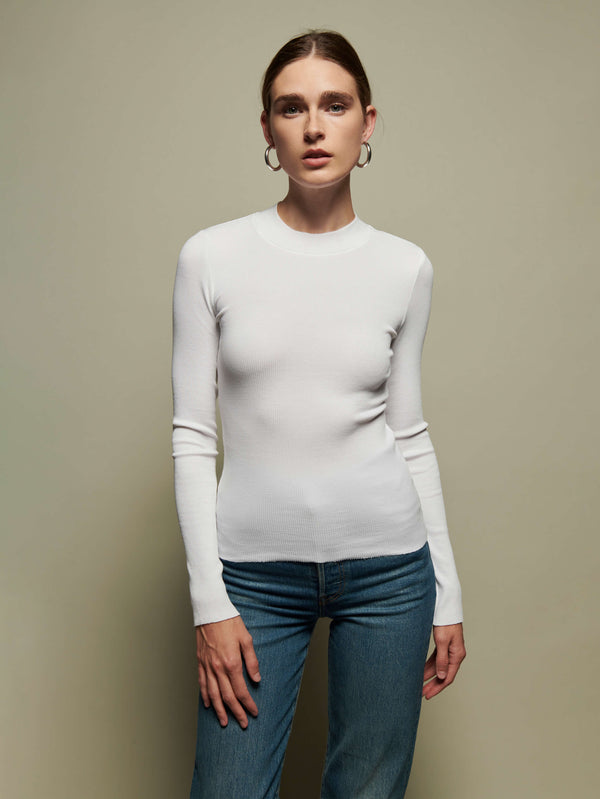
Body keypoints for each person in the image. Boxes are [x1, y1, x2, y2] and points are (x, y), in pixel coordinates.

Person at [171, 29, 466, 799]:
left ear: (367, 123)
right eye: (291, 107)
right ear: (267, 129)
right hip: (252, 579)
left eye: (334, 105)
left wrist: (448, 592)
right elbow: (193, 435)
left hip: (391, 575)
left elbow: (409, 432)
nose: (313, 127)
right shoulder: (210, 256)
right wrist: (208, 604)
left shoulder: (405, 267)